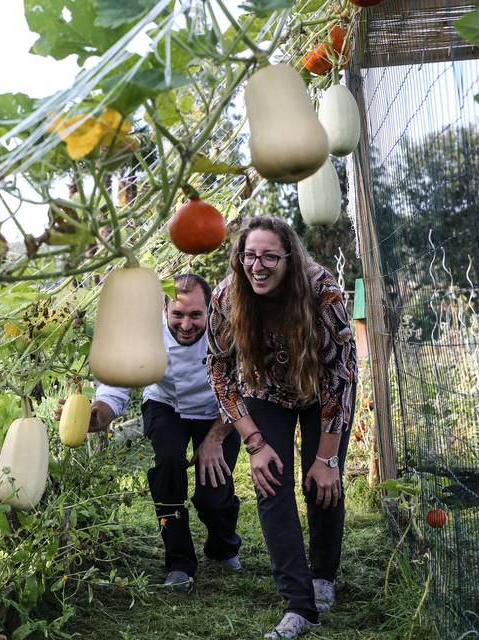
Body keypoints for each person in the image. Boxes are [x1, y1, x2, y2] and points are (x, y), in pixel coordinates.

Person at [206, 217, 357, 639]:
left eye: (270, 256)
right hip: (265, 393)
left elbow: (341, 375)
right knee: (270, 483)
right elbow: (219, 371)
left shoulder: (320, 291)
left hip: (321, 393)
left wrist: (327, 458)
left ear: (289, 259)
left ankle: (323, 574)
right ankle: (299, 604)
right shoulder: (225, 297)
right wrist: (254, 444)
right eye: (250, 255)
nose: (259, 265)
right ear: (239, 258)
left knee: (322, 483)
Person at [66, 273, 242, 594]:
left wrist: (214, 440)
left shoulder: (229, 334)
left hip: (218, 412)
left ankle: (224, 543)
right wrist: (100, 414)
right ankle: (178, 562)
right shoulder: (149, 336)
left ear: (211, 311)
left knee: (213, 495)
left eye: (195, 315)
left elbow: (244, 390)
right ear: (164, 310)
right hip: (165, 406)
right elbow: (117, 382)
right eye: (177, 314)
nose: (186, 324)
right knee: (169, 466)